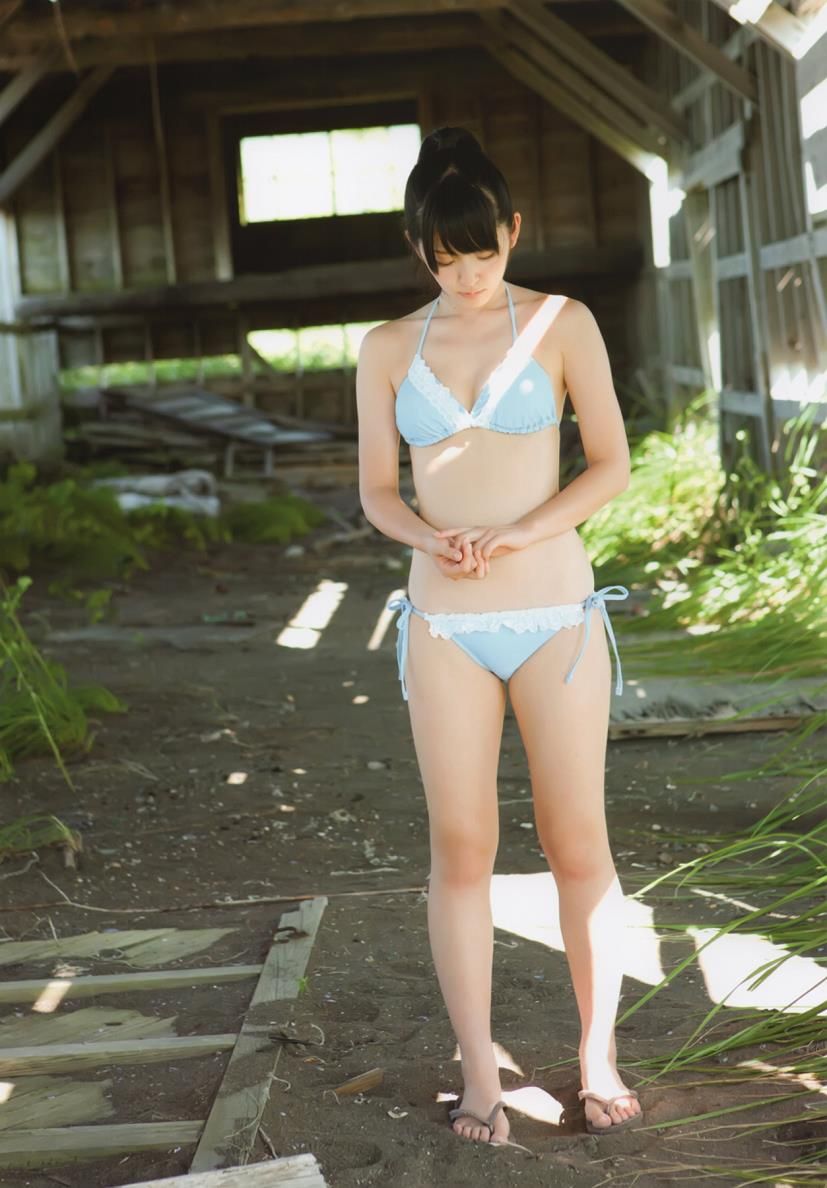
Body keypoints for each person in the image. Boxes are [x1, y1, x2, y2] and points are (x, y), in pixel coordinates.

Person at [356, 125, 642, 1146]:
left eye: (483, 252)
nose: (469, 275)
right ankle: (478, 1069)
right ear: (418, 250)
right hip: (443, 621)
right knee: (460, 848)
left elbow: (609, 464)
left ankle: (596, 1055)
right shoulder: (387, 347)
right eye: (446, 259)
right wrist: (427, 536)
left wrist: (519, 531)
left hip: (554, 615)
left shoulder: (564, 323)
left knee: (576, 842)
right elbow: (377, 491)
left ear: (512, 231)